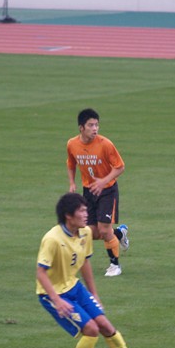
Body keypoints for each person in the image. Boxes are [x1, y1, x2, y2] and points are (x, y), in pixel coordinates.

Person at [36, 193, 147, 348]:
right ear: (68, 215)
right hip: (53, 294)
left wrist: (93, 293)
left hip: (75, 287)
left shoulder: (85, 232)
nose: (86, 214)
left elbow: (85, 262)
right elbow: (41, 273)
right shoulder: (52, 239)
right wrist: (57, 301)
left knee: (105, 325)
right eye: (81, 211)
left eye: (86, 210)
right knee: (91, 330)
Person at [66, 108, 129, 277]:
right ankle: (119, 234)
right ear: (81, 128)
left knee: (104, 229)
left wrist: (103, 181)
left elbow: (120, 167)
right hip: (89, 191)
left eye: (97, 125)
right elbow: (71, 163)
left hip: (107, 190)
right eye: (91, 125)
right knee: (90, 232)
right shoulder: (72, 144)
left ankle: (115, 265)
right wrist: (72, 182)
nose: (95, 129)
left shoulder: (105, 144)